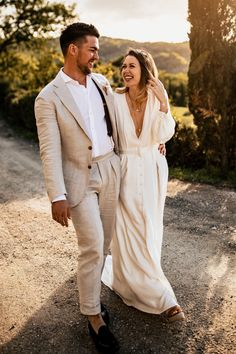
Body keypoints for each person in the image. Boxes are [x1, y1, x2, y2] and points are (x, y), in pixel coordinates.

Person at [35, 22, 120, 353]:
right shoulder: (48, 97)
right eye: (93, 49)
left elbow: (120, 120)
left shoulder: (101, 83)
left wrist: (155, 141)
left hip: (110, 167)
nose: (97, 55)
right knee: (93, 246)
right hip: (77, 180)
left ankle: (93, 297)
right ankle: (93, 317)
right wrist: (57, 195)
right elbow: (49, 150)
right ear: (74, 49)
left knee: (106, 244)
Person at [102, 49, 185, 322]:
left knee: (148, 225)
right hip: (123, 169)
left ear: (144, 70)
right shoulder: (114, 98)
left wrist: (163, 102)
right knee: (126, 228)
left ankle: (147, 282)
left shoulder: (155, 98)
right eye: (124, 66)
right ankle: (162, 298)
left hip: (152, 168)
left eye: (132, 66)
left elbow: (164, 134)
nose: (126, 70)